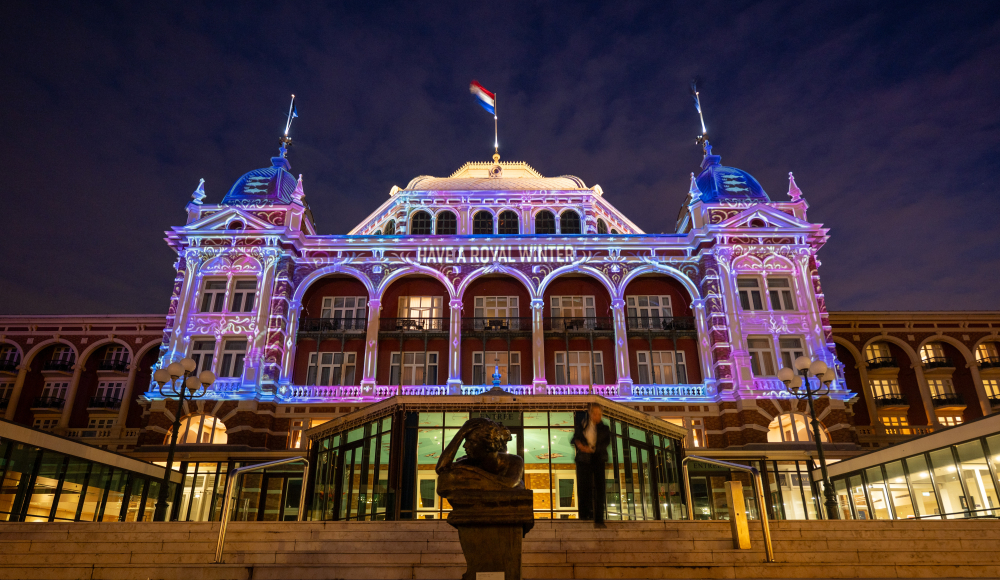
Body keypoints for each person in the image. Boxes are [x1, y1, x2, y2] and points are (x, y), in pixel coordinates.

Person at [571, 403, 611, 527]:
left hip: (598, 459)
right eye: (594, 413)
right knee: (584, 487)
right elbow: (574, 438)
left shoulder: (604, 428)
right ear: (590, 413)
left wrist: (591, 449)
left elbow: (605, 443)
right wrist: (579, 444)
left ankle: (599, 519)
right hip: (584, 460)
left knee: (599, 489)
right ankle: (585, 515)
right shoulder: (583, 425)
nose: (597, 416)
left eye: (599, 414)